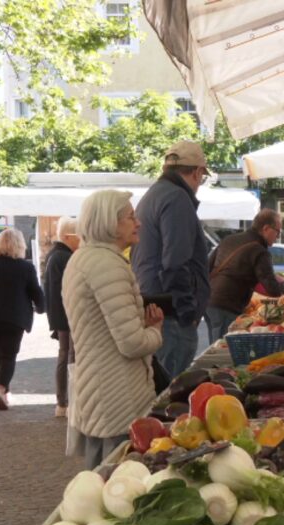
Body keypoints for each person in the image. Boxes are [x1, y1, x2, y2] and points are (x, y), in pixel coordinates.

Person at [64, 189, 164, 468]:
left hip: (98, 388)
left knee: (101, 474)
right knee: (116, 475)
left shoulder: (82, 259)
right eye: (130, 217)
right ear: (110, 222)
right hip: (117, 392)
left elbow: (102, 327)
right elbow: (131, 343)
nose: (138, 222)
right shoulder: (106, 264)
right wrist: (154, 330)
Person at [131, 140, 211, 380]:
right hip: (172, 315)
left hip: (158, 306)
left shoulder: (153, 195)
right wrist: (188, 312)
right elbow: (175, 263)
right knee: (170, 393)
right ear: (197, 173)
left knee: (161, 387)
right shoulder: (177, 198)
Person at [0, 229, 44, 410]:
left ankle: (4, 393)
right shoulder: (26, 268)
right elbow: (36, 291)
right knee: (9, 356)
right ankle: (1, 389)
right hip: (14, 318)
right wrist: (42, 308)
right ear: (20, 245)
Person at [205, 208, 284, 341]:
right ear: (266, 228)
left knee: (214, 348)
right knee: (223, 350)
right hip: (227, 305)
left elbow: (207, 268)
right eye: (277, 231)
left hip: (208, 301)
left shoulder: (229, 239)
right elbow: (274, 290)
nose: (278, 236)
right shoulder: (259, 250)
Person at [43, 216, 79, 417]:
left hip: (59, 314)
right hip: (67, 315)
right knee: (70, 356)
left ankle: (62, 402)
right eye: (77, 236)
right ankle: (66, 402)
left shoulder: (53, 255)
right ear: (67, 236)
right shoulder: (64, 257)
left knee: (65, 354)